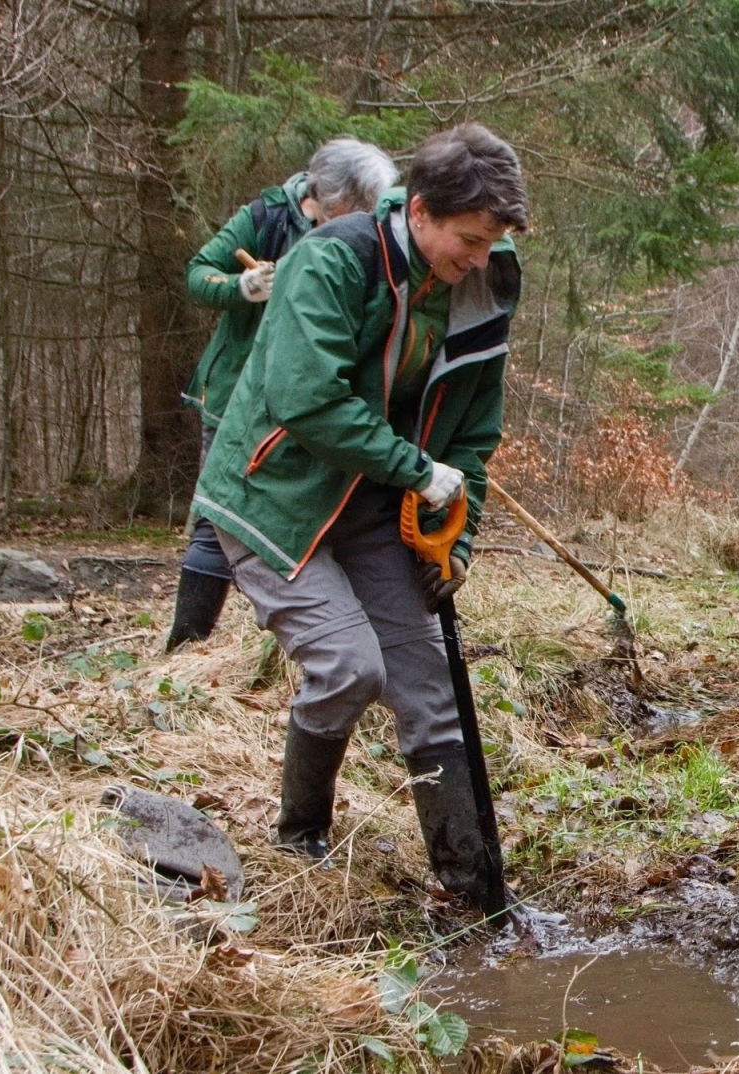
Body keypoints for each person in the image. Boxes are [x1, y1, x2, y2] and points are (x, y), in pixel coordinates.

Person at [190, 124, 528, 901]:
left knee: (430, 689)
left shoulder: (482, 286)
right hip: (273, 496)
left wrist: (457, 540)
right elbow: (308, 401)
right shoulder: (333, 261)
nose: (479, 259)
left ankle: (471, 890)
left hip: (369, 503)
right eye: (469, 240)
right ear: (421, 210)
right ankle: (300, 837)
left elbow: (471, 437)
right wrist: (418, 471)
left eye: (492, 243)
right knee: (349, 667)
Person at [168, 137, 400, 650]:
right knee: (217, 520)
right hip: (237, 393)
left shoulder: (366, 240)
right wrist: (242, 287)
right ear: (336, 198)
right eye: (362, 206)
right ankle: (185, 646)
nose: (369, 218)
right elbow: (198, 274)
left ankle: (314, 631)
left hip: (302, 396)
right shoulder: (267, 216)